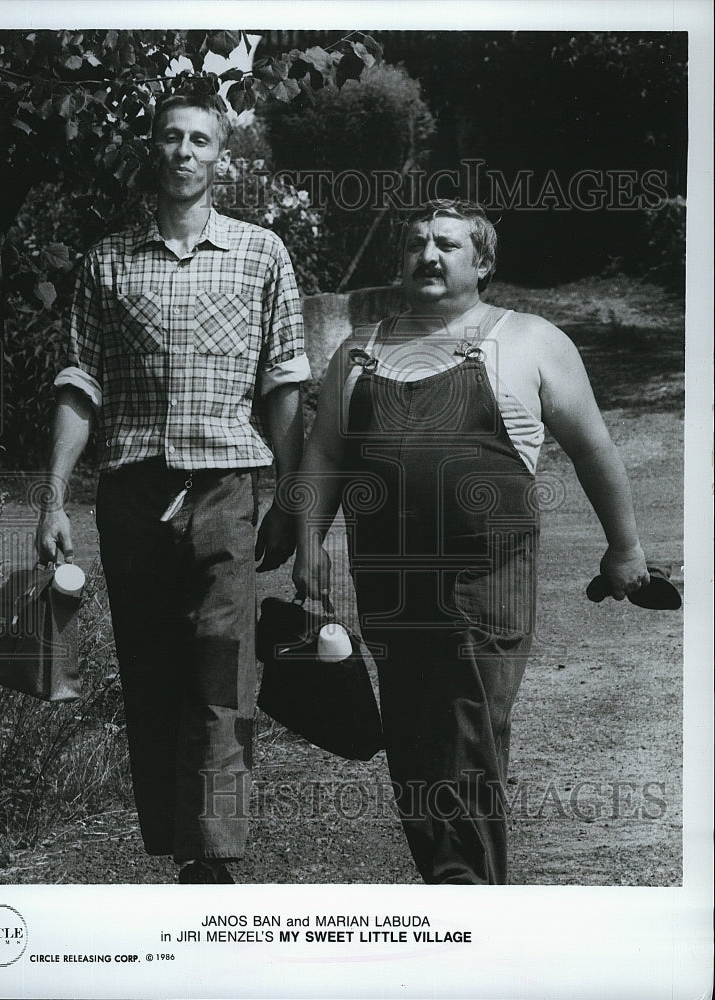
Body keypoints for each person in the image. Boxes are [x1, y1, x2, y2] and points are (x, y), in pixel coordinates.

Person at [292, 198, 649, 885]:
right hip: (390, 580)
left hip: (487, 578)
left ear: (481, 263)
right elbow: (325, 455)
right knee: (411, 736)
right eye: (416, 243)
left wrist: (625, 547)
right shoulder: (360, 349)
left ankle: (470, 895)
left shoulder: (530, 340)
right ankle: (450, 884)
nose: (428, 255)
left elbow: (594, 447)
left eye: (448, 245)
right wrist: (309, 539)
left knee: (466, 726)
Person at [36, 92, 311, 885]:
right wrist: (53, 497)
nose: (185, 152)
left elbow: (284, 381)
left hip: (225, 486)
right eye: (171, 138)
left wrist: (292, 498)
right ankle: (177, 840)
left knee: (223, 665)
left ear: (221, 157)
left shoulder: (262, 254)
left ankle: (216, 854)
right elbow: (79, 382)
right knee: (151, 669)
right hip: (131, 489)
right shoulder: (107, 260)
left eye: (201, 140)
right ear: (151, 151)